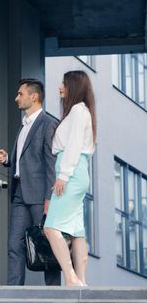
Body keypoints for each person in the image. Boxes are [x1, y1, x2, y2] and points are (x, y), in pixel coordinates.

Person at [0, 79, 61, 286]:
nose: (16, 98)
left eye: (20, 94)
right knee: (14, 244)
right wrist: (8, 160)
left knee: (47, 245)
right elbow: (25, 159)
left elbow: (51, 164)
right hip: (19, 193)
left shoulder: (48, 123)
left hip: (40, 194)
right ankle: (14, 292)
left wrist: (49, 198)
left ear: (34, 96)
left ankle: (54, 293)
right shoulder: (23, 125)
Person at [44, 70, 96, 286]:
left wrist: (63, 175)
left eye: (64, 84)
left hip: (70, 170)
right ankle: (81, 280)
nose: (60, 88)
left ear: (73, 86)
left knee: (51, 226)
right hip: (79, 169)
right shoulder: (84, 112)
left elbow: (73, 144)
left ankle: (71, 277)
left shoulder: (77, 110)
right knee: (76, 230)